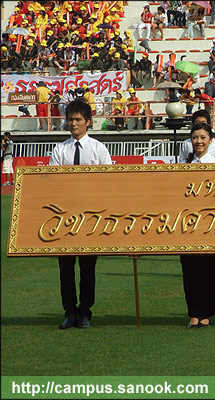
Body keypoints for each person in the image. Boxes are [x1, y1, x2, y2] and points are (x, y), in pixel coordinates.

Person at [49, 100, 112, 329]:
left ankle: (85, 312)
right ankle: (69, 312)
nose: (73, 123)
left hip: (90, 219)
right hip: (64, 219)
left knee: (87, 269)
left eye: (78, 120)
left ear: (88, 122)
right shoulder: (60, 149)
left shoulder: (98, 149)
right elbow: (53, 185)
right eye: (70, 119)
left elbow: (108, 184)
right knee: (65, 269)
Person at [180, 122, 215, 328]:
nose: (199, 141)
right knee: (189, 270)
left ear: (210, 141)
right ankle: (194, 313)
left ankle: (207, 312)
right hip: (187, 226)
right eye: (195, 138)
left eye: (203, 137)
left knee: (209, 270)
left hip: (210, 226)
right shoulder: (183, 166)